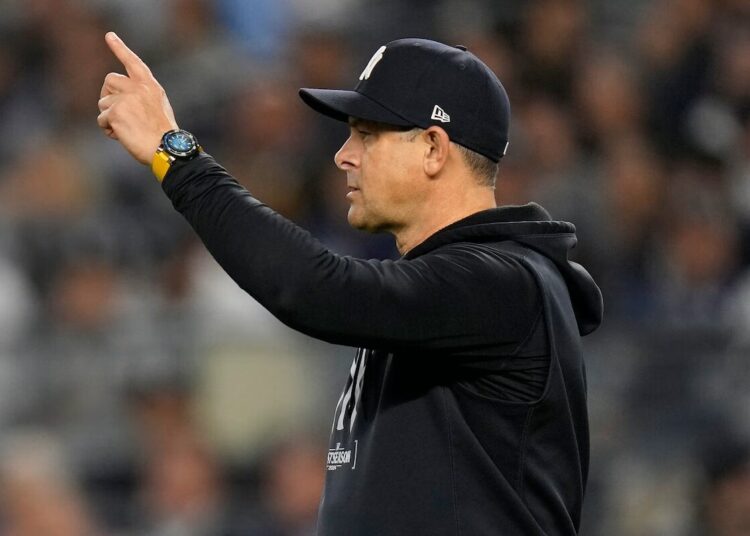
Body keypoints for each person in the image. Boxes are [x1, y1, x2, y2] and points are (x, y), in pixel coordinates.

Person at [97, 31, 603, 536]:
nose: (343, 155)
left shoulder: (503, 283)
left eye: (366, 134)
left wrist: (176, 155)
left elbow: (313, 288)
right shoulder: (442, 293)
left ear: (432, 148)